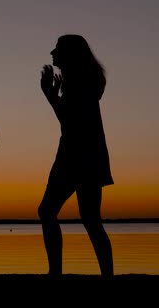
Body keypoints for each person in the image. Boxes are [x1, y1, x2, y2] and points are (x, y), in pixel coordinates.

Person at [38, 34, 114, 278]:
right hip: (88, 154)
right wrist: (56, 96)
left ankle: (56, 273)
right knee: (90, 218)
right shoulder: (85, 80)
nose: (52, 52)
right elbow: (71, 120)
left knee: (49, 211)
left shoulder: (81, 81)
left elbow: (70, 122)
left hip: (76, 155)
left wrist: (50, 96)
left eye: (57, 49)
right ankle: (106, 275)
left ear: (71, 53)